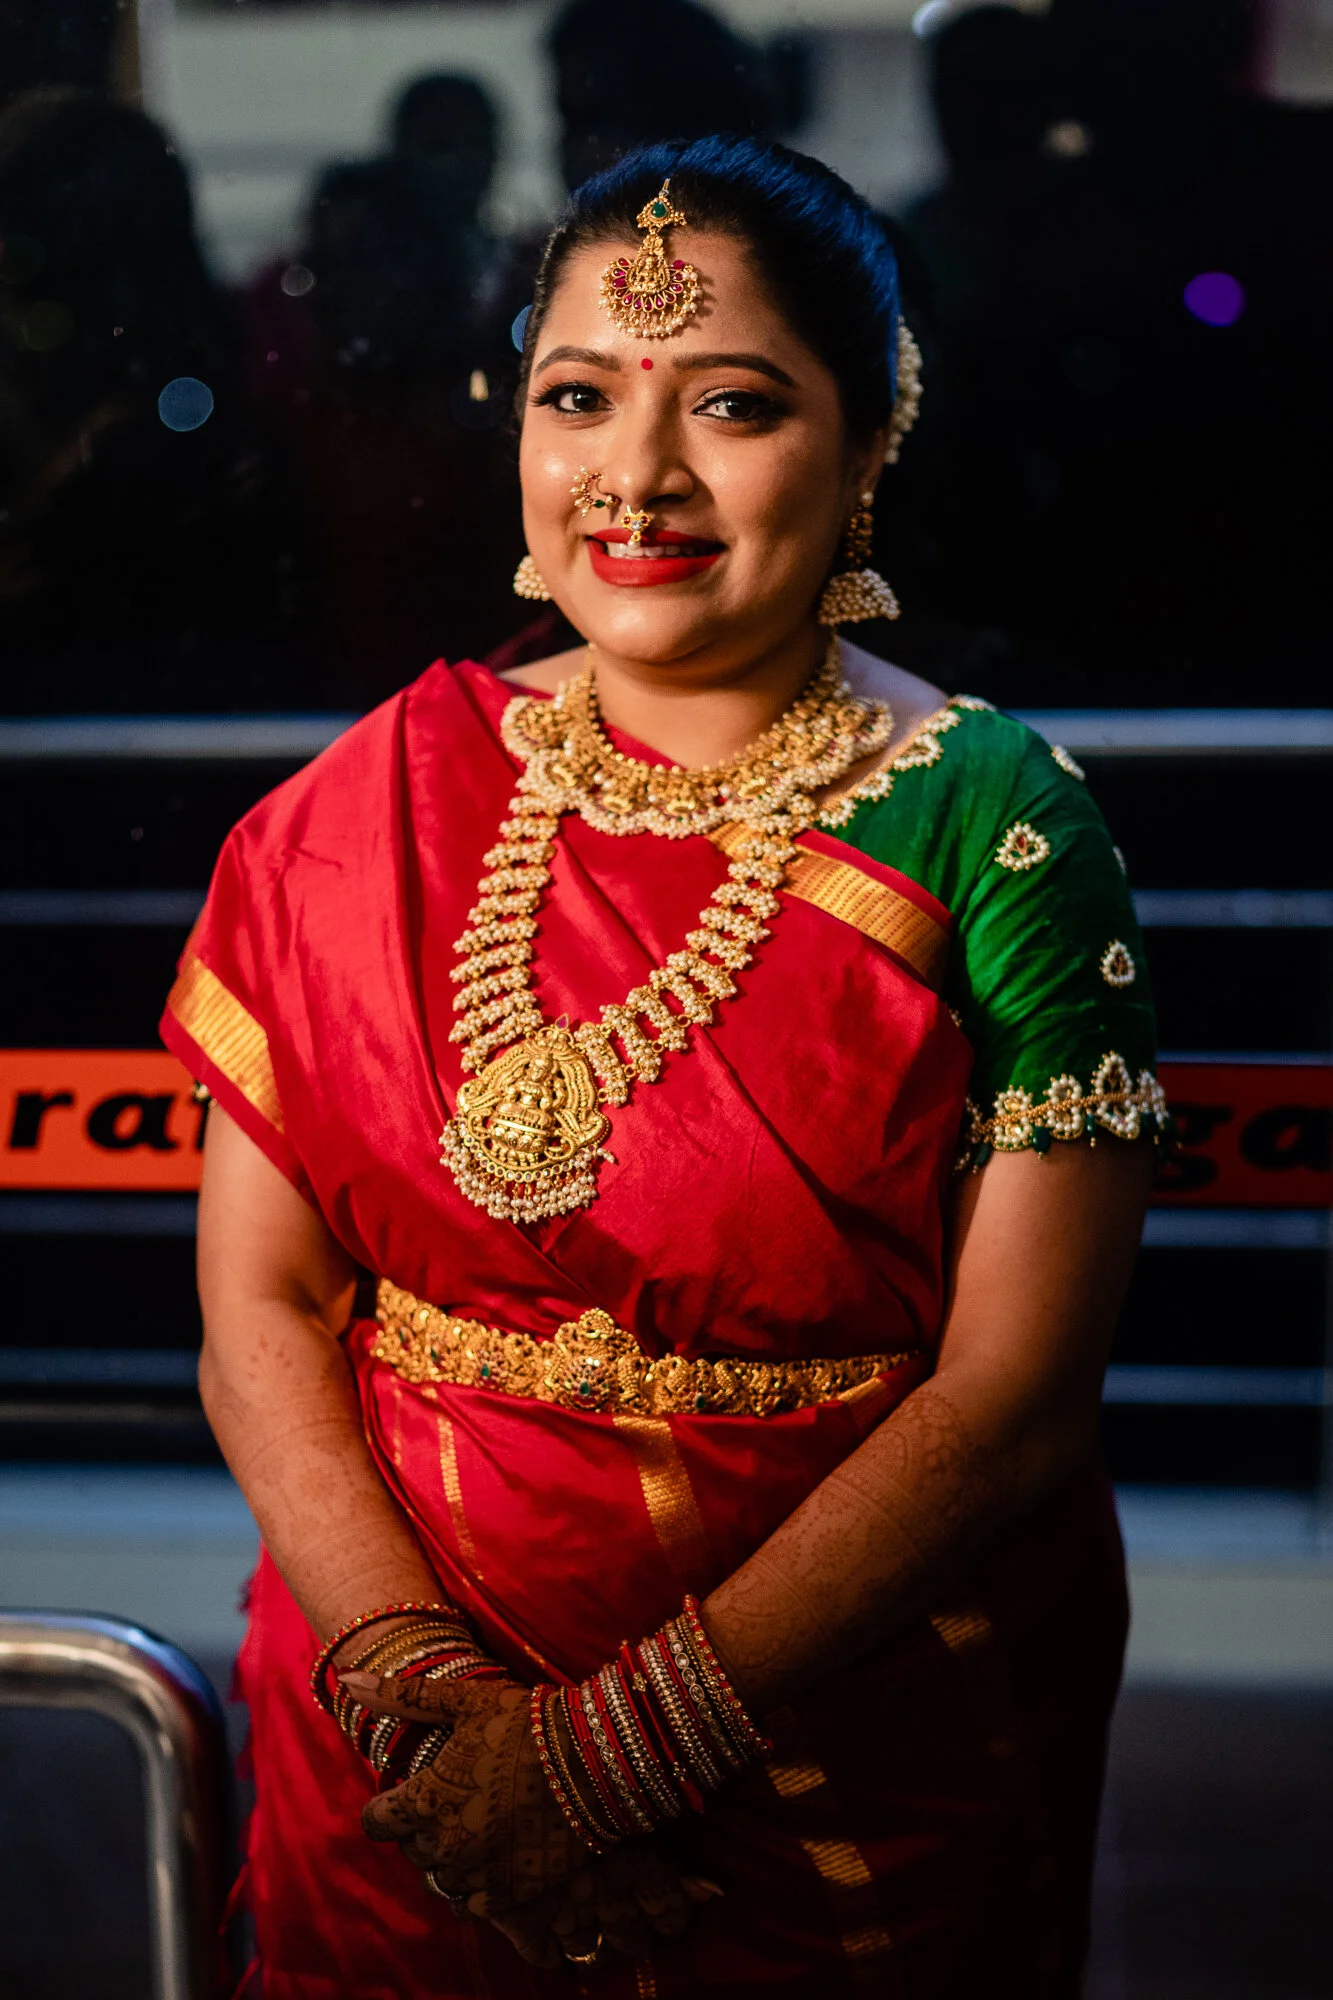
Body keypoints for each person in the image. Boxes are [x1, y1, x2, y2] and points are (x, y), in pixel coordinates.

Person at [164, 135, 1163, 1997]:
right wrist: (434, 1713)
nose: (637, 475)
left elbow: (1015, 1397)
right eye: (577, 397)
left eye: (733, 404)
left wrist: (607, 1759)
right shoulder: (352, 810)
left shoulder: (996, 827)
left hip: (852, 1752)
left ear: (869, 444)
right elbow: (262, 1307)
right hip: (404, 1757)